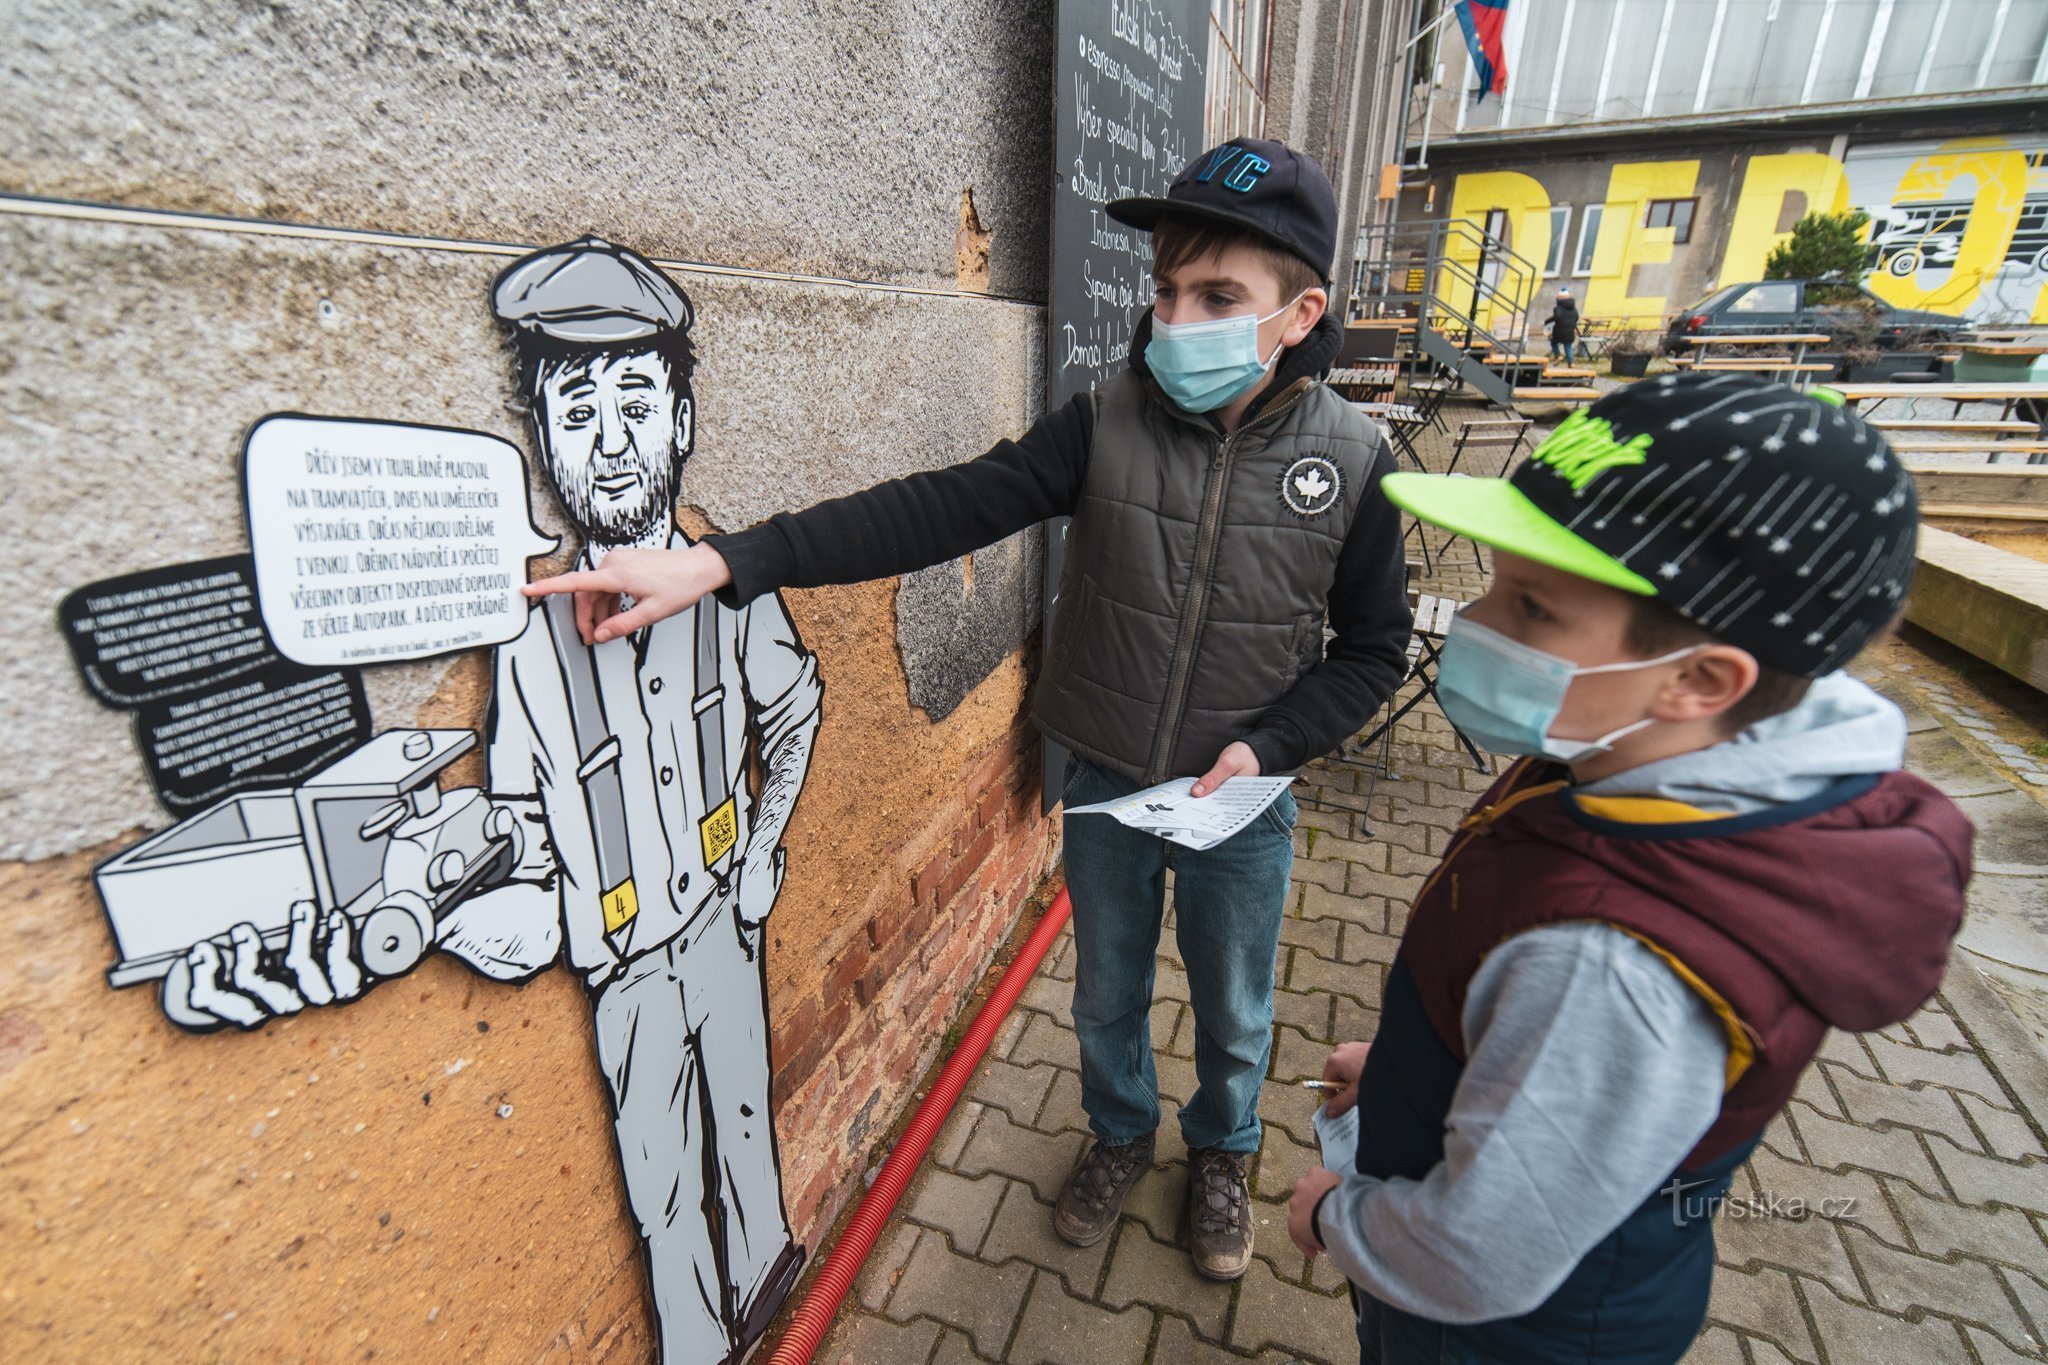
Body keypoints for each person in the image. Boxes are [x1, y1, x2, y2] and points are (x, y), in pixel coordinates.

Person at [525, 138, 1414, 1280]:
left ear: (1298, 314)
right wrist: (724, 563)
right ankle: (1117, 1131)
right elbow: (942, 510)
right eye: (1164, 290)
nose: (1175, 318)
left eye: (1215, 297)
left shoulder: (1353, 462)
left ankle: (1224, 1150)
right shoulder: (1105, 424)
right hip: (1102, 775)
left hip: (1242, 800)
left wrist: (1269, 744)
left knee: (1235, 1006)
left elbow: (1373, 651)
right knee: (1103, 993)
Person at [172, 237, 824, 1365]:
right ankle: (699, 1350)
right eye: (577, 408)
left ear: (681, 419)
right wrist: (459, 911)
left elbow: (796, 709)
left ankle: (769, 1271)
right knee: (661, 1189)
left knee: (747, 1118)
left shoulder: (729, 585)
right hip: (621, 966)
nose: (611, 440)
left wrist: (764, 847)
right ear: (542, 438)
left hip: (722, 918)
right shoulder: (527, 646)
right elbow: (524, 824)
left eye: (636, 398)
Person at [1285, 372, 1973, 1363]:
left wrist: (1336, 1218)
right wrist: (1404, 1072)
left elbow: (1478, 1252)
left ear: (1697, 681)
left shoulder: (1608, 961)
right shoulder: (1619, 752)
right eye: (1492, 581)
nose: (1474, 623)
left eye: (1529, 606)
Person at [1544, 287, 1581, 362]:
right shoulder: (1574, 308)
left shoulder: (1557, 308)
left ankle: (1558, 355)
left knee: (1553, 342)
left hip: (1559, 331)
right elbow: (1576, 317)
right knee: (1568, 347)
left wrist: (1546, 321)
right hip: (1570, 331)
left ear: (1559, 299)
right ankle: (1571, 363)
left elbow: (1556, 317)